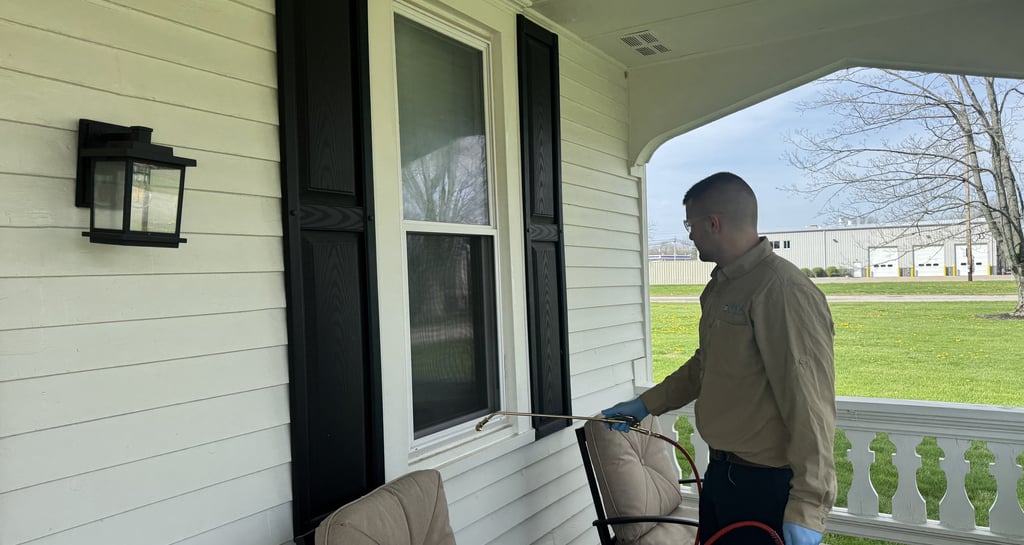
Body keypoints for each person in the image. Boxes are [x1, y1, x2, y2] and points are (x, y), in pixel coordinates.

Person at [603, 172, 836, 545]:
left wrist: (808, 506)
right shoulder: (722, 287)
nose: (690, 235)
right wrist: (645, 405)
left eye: (690, 225)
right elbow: (704, 365)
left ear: (713, 223)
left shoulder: (781, 290)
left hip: (766, 486)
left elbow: (809, 402)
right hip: (723, 477)